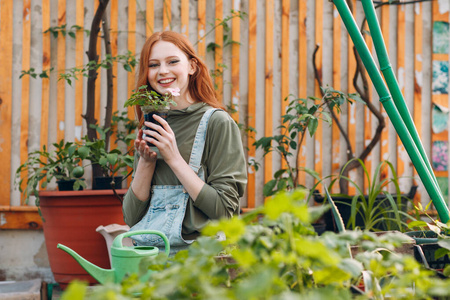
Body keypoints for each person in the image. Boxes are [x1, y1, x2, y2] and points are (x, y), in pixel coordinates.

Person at [122, 31, 247, 254]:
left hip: (201, 261)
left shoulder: (217, 123)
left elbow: (226, 212)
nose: (163, 71)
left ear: (192, 66)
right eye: (153, 64)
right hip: (152, 259)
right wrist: (146, 164)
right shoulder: (152, 123)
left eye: (172, 61)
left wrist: (173, 158)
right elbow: (132, 218)